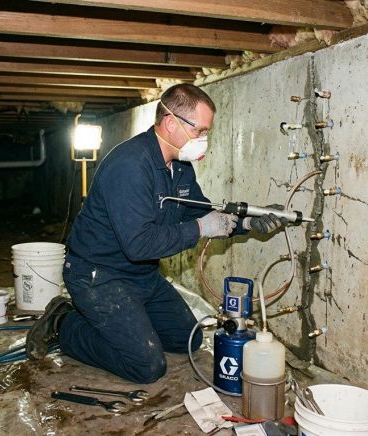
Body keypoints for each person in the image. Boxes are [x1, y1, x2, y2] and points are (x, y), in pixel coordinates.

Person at [26, 84, 284, 384]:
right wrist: (201, 229)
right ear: (171, 123)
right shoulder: (130, 166)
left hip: (142, 276)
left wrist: (249, 222)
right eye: (200, 130)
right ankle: (65, 323)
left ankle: (124, 322)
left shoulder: (180, 168)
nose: (204, 139)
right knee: (146, 366)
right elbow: (139, 244)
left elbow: (200, 212)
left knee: (188, 339)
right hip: (98, 275)